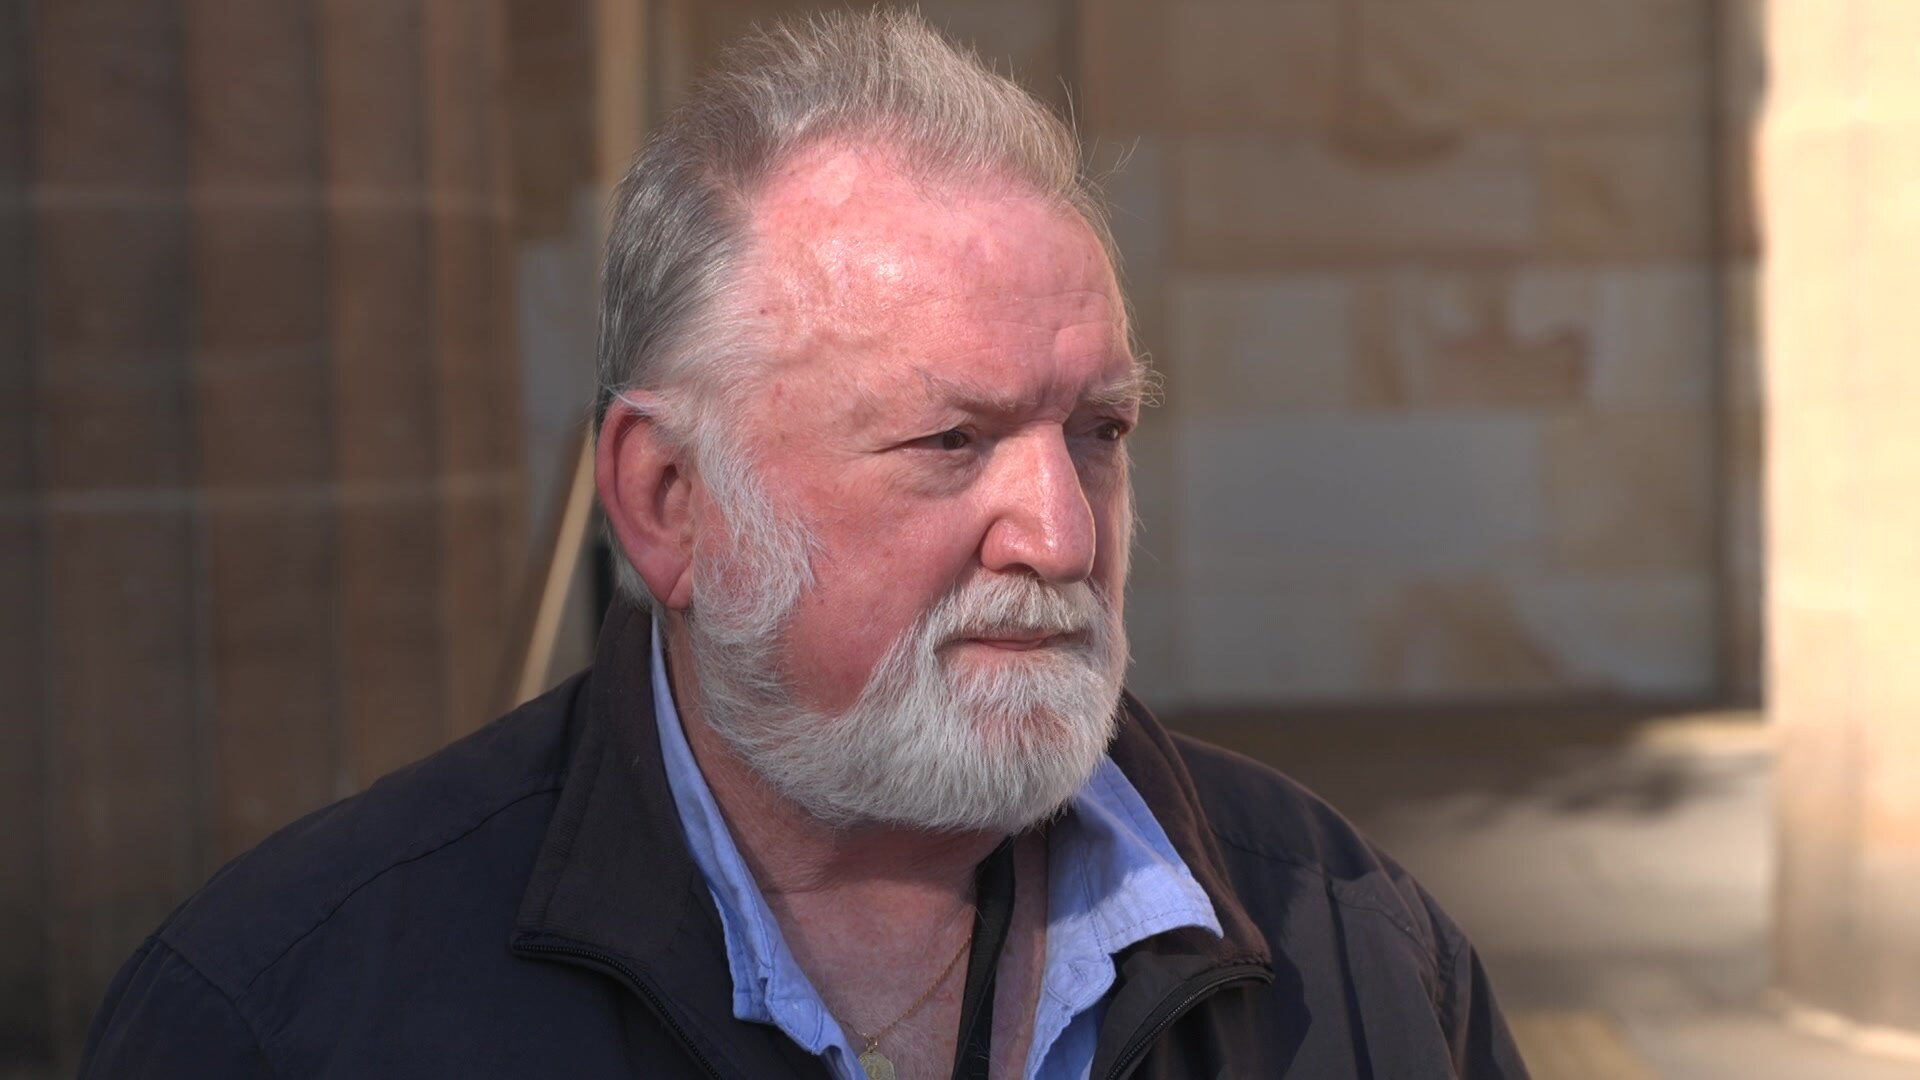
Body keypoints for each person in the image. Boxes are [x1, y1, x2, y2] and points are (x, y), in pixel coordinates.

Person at [82, 11, 1527, 1078]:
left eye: (1100, 430)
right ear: (669, 503)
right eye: (950, 442)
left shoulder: (1355, 948)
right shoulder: (290, 1013)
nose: (1062, 531)